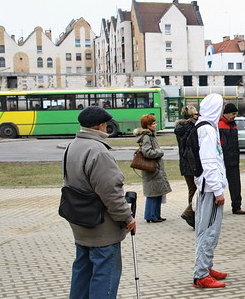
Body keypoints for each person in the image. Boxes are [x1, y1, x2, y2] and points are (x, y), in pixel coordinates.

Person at [64, 106, 136, 299]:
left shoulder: (73, 145)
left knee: (82, 271)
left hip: (79, 219)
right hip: (101, 225)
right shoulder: (98, 151)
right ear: (101, 126)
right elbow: (111, 193)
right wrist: (127, 218)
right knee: (105, 274)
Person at [193, 93, 228, 288]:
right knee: (209, 231)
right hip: (209, 189)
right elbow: (209, 162)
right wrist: (217, 190)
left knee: (205, 229)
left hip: (206, 187)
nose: (223, 110)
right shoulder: (207, 130)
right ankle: (202, 274)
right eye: (221, 106)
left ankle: (206, 266)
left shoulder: (204, 126)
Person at [134, 114, 172, 223]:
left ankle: (156, 215)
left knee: (157, 192)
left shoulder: (151, 136)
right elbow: (147, 152)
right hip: (152, 169)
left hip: (155, 169)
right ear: (147, 125)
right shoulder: (147, 137)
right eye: (153, 123)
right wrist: (159, 152)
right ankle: (150, 215)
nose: (155, 125)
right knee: (152, 193)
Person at [174, 105, 200, 228]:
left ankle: (192, 214)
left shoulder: (180, 128)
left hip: (184, 163)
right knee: (197, 190)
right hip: (192, 162)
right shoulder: (192, 127)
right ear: (191, 115)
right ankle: (190, 213)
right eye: (196, 113)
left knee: (192, 190)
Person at [219, 103, 245, 215]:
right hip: (222, 160)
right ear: (226, 113)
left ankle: (237, 206)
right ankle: (216, 206)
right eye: (233, 113)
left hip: (233, 159)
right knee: (218, 184)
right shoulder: (219, 125)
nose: (234, 116)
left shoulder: (233, 125)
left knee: (235, 184)